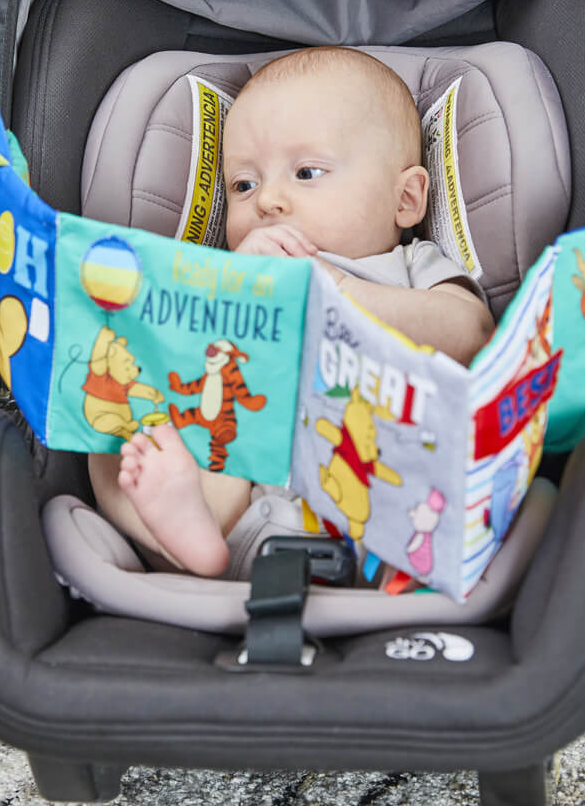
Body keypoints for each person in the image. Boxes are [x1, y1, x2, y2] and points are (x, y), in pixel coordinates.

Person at [88, 47, 495, 578]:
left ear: (406, 200)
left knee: (542, 499)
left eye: (306, 172)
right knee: (105, 433)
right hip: (249, 508)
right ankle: (194, 533)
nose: (269, 201)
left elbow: (471, 332)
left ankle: (198, 537)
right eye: (244, 184)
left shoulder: (411, 266)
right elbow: (179, 365)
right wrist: (232, 287)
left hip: (400, 508)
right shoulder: (228, 273)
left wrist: (337, 291)